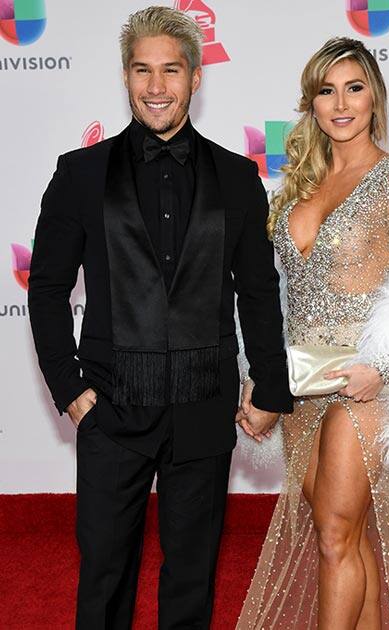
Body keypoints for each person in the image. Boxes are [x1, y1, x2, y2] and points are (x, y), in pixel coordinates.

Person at [26, 7, 292, 629]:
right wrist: (71, 391)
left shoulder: (237, 177)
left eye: (170, 70)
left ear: (195, 77)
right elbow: (46, 289)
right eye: (143, 70)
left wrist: (273, 387)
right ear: (125, 76)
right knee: (104, 576)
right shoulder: (79, 174)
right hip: (111, 408)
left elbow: (258, 290)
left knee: (191, 580)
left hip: (203, 410)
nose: (156, 86)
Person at [236, 37, 389, 629]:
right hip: (301, 385)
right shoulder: (296, 187)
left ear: (375, 98)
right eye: (326, 90)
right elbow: (278, 298)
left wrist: (383, 370)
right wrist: (263, 378)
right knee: (346, 537)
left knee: (335, 537)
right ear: (311, 103)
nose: (341, 103)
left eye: (354, 87)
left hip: (365, 383)